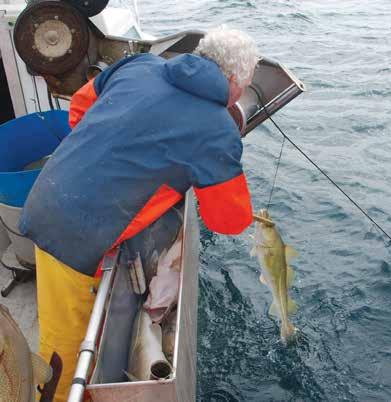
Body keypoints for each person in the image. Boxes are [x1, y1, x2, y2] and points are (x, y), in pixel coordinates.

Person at [19, 26, 259, 401]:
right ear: (233, 82)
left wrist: (113, 159)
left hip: (46, 195)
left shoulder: (140, 65)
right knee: (64, 354)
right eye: (244, 85)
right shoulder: (216, 130)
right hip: (74, 238)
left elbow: (80, 107)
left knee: (66, 336)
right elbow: (228, 221)